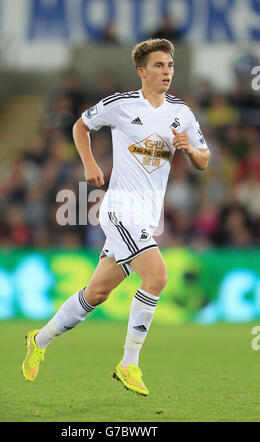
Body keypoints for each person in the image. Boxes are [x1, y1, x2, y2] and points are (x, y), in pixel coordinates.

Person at [22, 38, 210, 396]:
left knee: (97, 293)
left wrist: (188, 149)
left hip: (148, 216)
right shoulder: (121, 105)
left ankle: (39, 340)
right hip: (120, 209)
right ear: (142, 71)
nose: (166, 72)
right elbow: (80, 125)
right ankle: (129, 363)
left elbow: (204, 159)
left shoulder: (181, 113)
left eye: (169, 66)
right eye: (158, 66)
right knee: (157, 277)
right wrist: (90, 163)